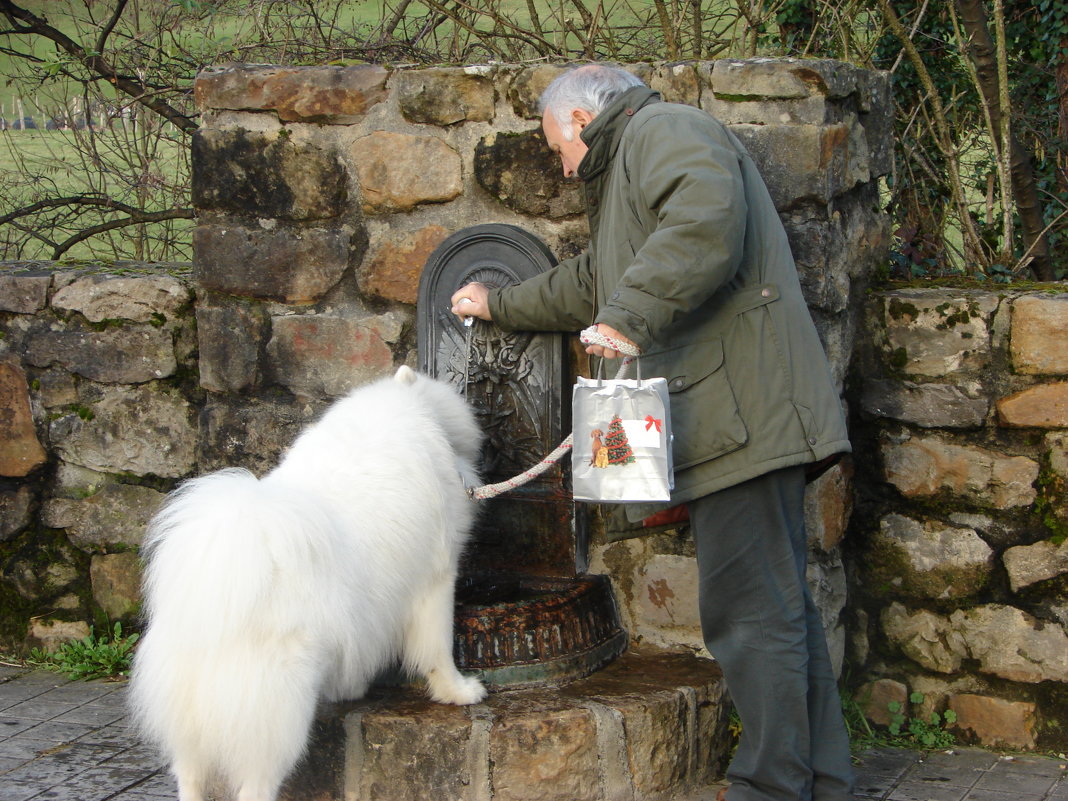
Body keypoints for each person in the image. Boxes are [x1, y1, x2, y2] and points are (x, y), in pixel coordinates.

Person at [450, 64, 854, 801]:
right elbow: (590, 286)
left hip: (746, 414)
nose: (558, 164)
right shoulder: (629, 170)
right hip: (740, 414)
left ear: (577, 119)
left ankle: (772, 786)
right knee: (775, 606)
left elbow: (704, 217)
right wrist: (498, 303)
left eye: (554, 145)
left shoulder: (664, 131)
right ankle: (820, 778)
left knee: (749, 613)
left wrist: (629, 315)